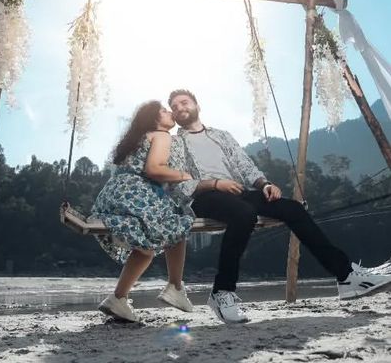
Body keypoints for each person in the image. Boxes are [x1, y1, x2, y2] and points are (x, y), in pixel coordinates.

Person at [167, 89, 391, 324]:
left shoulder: (221, 136)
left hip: (238, 192)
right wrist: (214, 183)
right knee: (245, 214)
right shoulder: (175, 143)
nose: (180, 108)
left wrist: (265, 184)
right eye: (174, 106)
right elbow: (177, 183)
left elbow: (246, 166)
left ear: (197, 105)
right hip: (205, 196)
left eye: (184, 102)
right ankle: (222, 292)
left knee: (293, 209)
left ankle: (346, 276)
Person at [91, 100, 195, 322]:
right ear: (155, 118)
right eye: (165, 111)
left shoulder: (138, 139)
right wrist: (185, 176)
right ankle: (175, 286)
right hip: (137, 195)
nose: (170, 113)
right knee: (179, 221)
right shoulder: (162, 135)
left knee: (145, 249)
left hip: (113, 196)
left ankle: (118, 299)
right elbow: (154, 169)